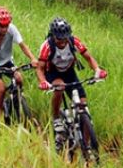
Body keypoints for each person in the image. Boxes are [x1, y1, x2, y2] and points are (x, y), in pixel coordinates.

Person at [36, 17, 107, 148]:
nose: (62, 42)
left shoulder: (74, 41)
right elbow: (39, 68)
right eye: (59, 39)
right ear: (53, 36)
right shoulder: (47, 46)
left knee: (83, 106)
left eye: (64, 39)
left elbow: (88, 57)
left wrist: (97, 70)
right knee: (60, 87)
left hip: (69, 72)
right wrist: (43, 82)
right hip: (53, 73)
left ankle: (86, 144)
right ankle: (56, 118)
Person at [0, 6, 38, 121]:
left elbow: (22, 45)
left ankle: (16, 101)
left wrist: (33, 58)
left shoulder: (12, 29)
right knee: (1, 88)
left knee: (19, 79)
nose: (4, 29)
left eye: (6, 26)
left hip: (7, 61)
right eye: (1, 26)